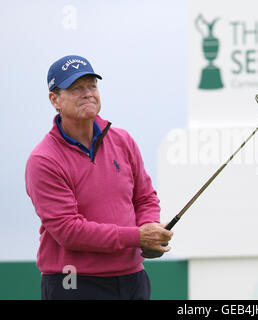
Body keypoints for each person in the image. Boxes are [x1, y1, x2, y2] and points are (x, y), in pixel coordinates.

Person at [25, 55, 173, 300]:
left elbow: (145, 197)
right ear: (55, 100)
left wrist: (149, 227)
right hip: (73, 282)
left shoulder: (122, 140)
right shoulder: (44, 159)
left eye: (92, 85)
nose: (87, 93)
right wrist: (137, 236)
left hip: (132, 278)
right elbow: (68, 230)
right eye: (75, 88)